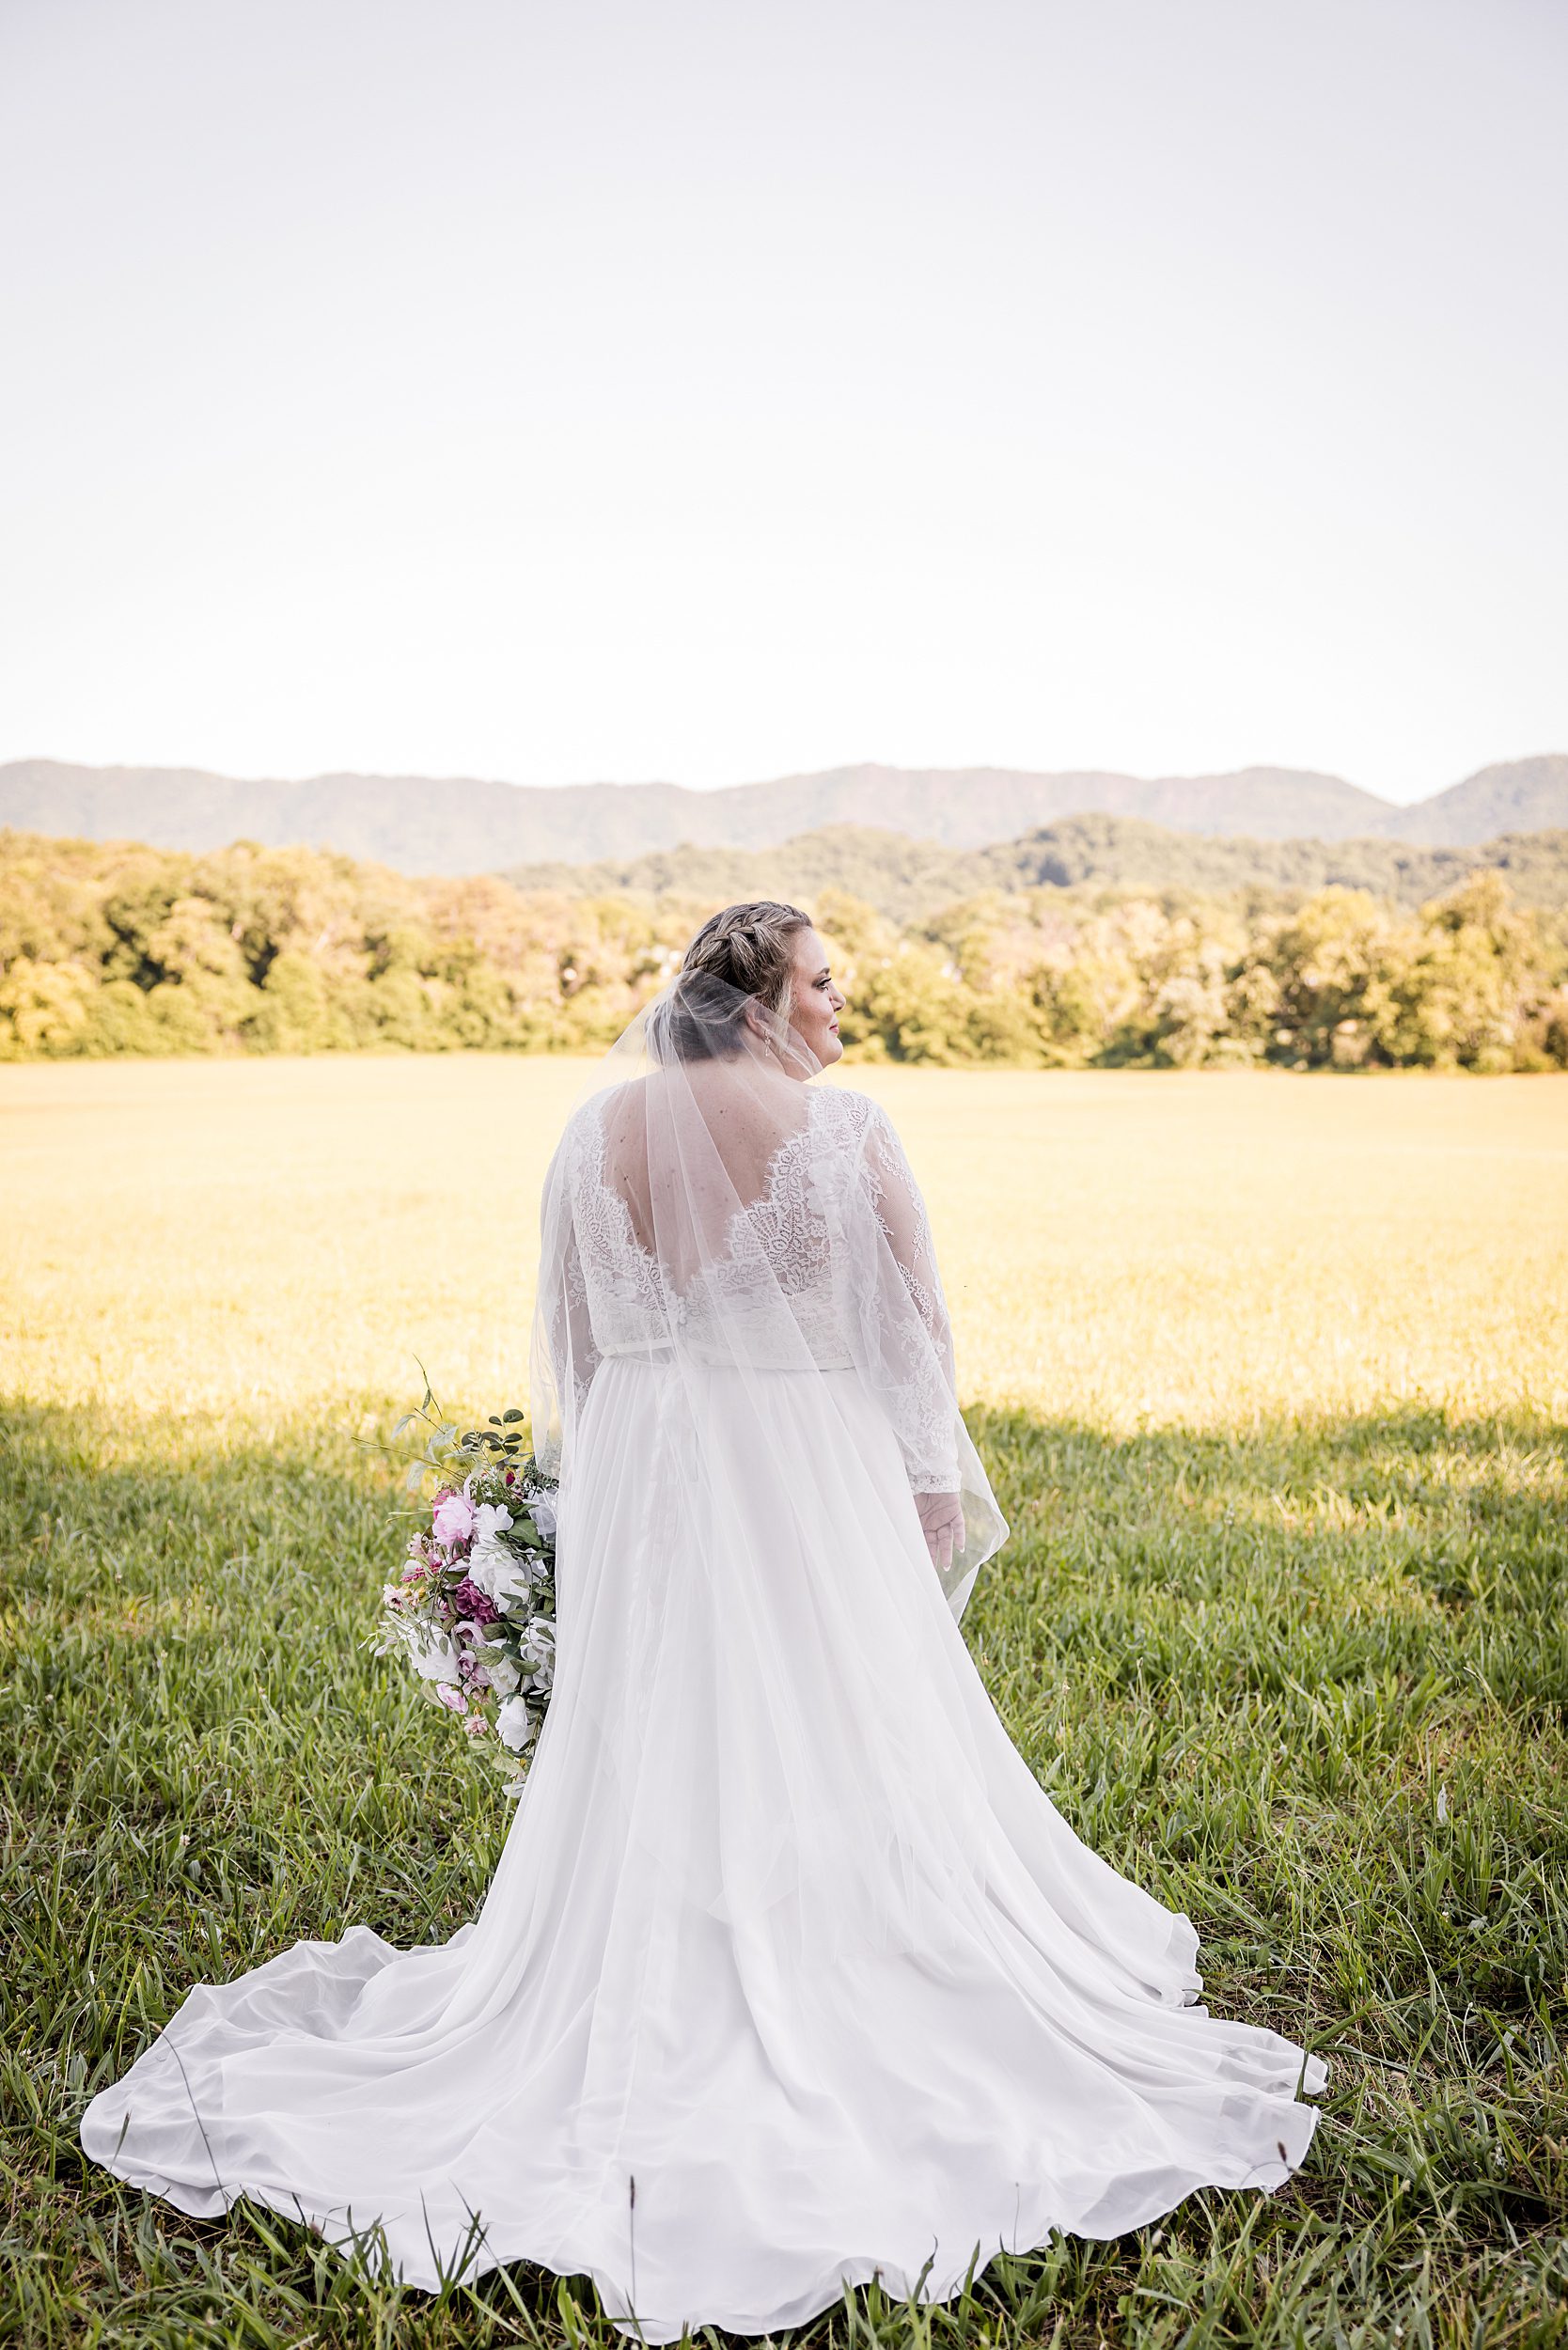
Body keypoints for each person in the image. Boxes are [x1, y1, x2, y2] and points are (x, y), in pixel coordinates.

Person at [81, 899, 1325, 2342]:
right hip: (806, 1470)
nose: (841, 1008)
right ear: (760, 999)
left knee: (670, 1722)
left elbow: (578, 1351)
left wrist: (609, 1497)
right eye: (823, 982)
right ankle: (829, 1948)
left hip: (654, 1472)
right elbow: (912, 1332)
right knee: (828, 1709)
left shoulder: (586, 1133)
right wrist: (927, 1492)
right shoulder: (847, 1131)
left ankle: (662, 1943)